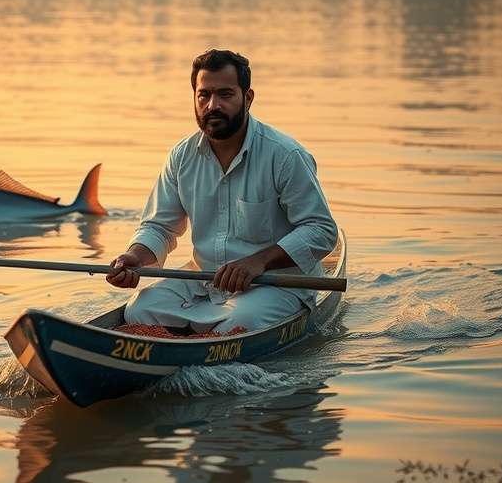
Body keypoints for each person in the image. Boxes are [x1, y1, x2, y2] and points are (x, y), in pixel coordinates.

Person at [106, 49, 338, 333]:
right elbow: (160, 227)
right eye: (204, 95)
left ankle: (206, 336)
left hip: (277, 283)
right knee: (138, 311)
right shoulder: (182, 156)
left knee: (241, 325)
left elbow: (322, 231)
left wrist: (258, 262)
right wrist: (135, 257)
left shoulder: (285, 155)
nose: (213, 105)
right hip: (204, 279)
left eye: (225, 95)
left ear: (248, 98)